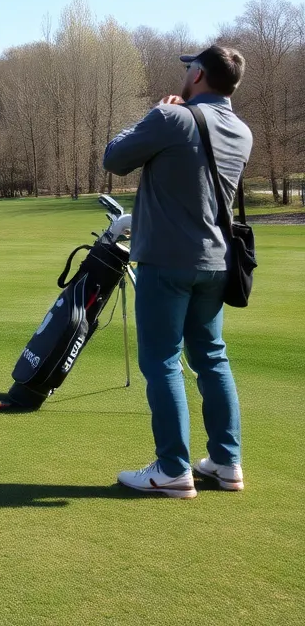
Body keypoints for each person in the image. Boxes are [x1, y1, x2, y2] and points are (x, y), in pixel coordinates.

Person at [102, 45, 252, 497]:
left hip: (167, 261)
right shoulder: (242, 131)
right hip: (216, 262)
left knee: (162, 360)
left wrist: (154, 112)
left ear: (199, 74)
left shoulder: (171, 117)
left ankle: (172, 469)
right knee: (212, 358)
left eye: (189, 68)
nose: (185, 74)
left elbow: (114, 158)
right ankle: (226, 463)